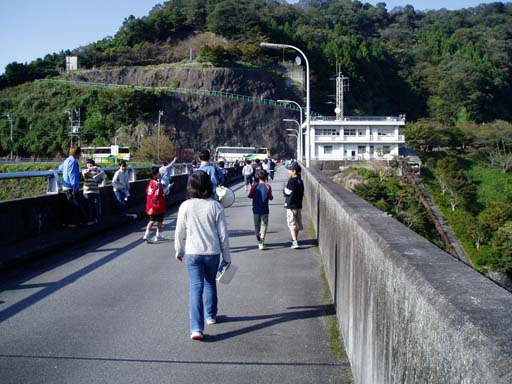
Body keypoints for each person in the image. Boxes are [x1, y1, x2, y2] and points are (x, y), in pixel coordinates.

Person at [175, 170, 231, 341]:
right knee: (210, 284)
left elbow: (180, 232)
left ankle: (196, 329)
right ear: (208, 186)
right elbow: (223, 235)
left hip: (192, 253)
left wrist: (179, 250)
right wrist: (227, 257)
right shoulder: (216, 206)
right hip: (212, 252)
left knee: (195, 288)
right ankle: (211, 316)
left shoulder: (185, 206)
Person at [59, 146, 90, 227]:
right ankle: (74, 222)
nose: (80, 156)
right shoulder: (73, 161)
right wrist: (75, 188)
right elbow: (72, 175)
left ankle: (73, 222)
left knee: (71, 205)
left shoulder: (66, 160)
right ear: (77, 153)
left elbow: (60, 168)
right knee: (76, 205)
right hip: (71, 187)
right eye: (80, 154)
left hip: (65, 186)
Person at [248, 169, 273, 250]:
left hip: (255, 209)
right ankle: (261, 241)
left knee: (256, 225)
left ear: (257, 177)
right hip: (265, 209)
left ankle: (258, 239)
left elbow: (250, 196)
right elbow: (270, 197)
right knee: (264, 225)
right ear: (266, 177)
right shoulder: (268, 186)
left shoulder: (254, 186)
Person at [283, 161, 304, 249]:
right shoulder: (300, 180)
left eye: (290, 170)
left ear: (294, 171)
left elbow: (287, 192)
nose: (289, 171)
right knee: (297, 223)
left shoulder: (291, 180)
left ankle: (295, 241)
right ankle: (294, 239)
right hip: (298, 205)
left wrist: (284, 189)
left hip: (291, 205)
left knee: (292, 223)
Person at [143, 167, 166, 242]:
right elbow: (156, 195)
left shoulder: (150, 183)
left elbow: (148, 192)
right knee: (160, 220)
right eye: (158, 173)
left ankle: (146, 234)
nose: (159, 174)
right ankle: (157, 235)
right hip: (158, 205)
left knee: (152, 220)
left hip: (150, 205)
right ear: (154, 175)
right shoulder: (157, 184)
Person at [82, 159, 104, 223]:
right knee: (88, 205)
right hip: (87, 191)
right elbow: (85, 174)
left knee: (96, 205)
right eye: (88, 163)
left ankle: (96, 218)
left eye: (91, 163)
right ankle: (89, 218)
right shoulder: (85, 170)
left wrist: (100, 178)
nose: (89, 164)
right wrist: (91, 169)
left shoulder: (97, 170)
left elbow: (100, 180)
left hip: (95, 190)